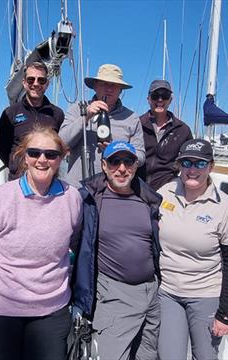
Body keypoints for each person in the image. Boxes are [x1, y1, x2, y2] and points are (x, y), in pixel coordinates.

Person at [0, 125, 82, 360]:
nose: (42, 160)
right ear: (25, 157)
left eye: (51, 154)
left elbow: (73, 243)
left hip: (51, 309)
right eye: (34, 153)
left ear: (61, 159)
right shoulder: (0, 199)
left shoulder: (72, 198)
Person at [72, 140, 162, 360]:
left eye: (128, 161)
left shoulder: (148, 199)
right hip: (115, 294)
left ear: (135, 165)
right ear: (104, 165)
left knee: (147, 357)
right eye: (114, 161)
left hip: (152, 293)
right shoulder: (89, 199)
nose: (121, 168)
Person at [155, 138, 228, 360]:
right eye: (186, 163)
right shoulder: (165, 192)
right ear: (179, 166)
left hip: (206, 294)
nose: (192, 170)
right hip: (168, 293)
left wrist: (226, 314)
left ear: (211, 166)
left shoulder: (227, 208)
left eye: (200, 164)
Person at [59, 64, 145, 187]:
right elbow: (61, 143)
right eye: (104, 84)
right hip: (77, 189)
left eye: (114, 85)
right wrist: (85, 117)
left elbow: (140, 157)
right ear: (95, 86)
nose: (109, 89)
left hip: (112, 192)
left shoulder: (131, 118)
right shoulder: (77, 109)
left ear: (121, 90)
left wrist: (117, 150)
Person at [0, 61, 65, 179]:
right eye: (31, 79)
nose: (36, 84)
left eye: (41, 80)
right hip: (18, 179)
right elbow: (2, 148)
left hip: (48, 180)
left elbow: (60, 147)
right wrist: (16, 166)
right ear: (24, 83)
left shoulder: (57, 114)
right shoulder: (10, 113)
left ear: (47, 84)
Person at [136, 79, 193, 191]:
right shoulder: (136, 124)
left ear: (170, 100)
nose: (160, 99)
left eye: (165, 96)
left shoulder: (183, 130)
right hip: (136, 187)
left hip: (167, 190)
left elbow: (190, 160)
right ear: (148, 99)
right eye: (155, 95)